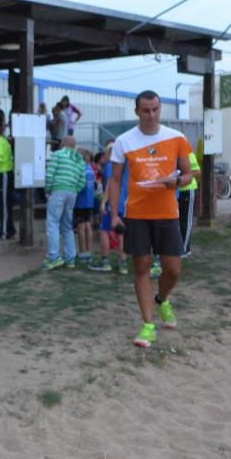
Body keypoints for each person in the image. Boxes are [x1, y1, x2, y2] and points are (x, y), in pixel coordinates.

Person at [107, 90, 194, 348]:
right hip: (136, 214)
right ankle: (148, 325)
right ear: (137, 112)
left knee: (173, 270)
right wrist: (114, 214)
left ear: (160, 109)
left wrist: (176, 181)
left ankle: (161, 300)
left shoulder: (176, 137)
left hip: (167, 213)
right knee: (141, 266)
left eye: (155, 109)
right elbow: (114, 180)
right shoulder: (124, 141)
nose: (151, 115)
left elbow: (189, 174)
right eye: (146, 110)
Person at [42, 137, 85, 270]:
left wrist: (47, 191)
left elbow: (49, 174)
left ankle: (54, 257)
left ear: (62, 144)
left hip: (58, 191)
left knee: (53, 224)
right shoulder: (79, 158)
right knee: (67, 226)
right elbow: (82, 180)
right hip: (72, 193)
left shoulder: (58, 154)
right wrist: (74, 190)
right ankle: (70, 258)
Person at [89, 143, 129, 274]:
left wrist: (104, 201)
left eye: (105, 153)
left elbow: (111, 183)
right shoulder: (126, 165)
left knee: (104, 231)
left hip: (113, 203)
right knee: (121, 233)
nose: (104, 156)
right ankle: (123, 264)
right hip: (125, 203)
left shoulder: (111, 165)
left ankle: (105, 262)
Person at [177, 150, 201, 258]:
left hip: (187, 189)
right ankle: (178, 247)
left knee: (185, 221)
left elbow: (197, 172)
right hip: (175, 191)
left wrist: (183, 176)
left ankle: (185, 249)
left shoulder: (187, 152)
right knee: (176, 221)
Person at [74, 149, 96, 263]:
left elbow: (79, 186)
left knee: (81, 226)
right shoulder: (91, 169)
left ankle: (82, 253)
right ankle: (89, 252)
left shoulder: (80, 170)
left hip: (80, 202)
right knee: (88, 225)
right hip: (89, 202)